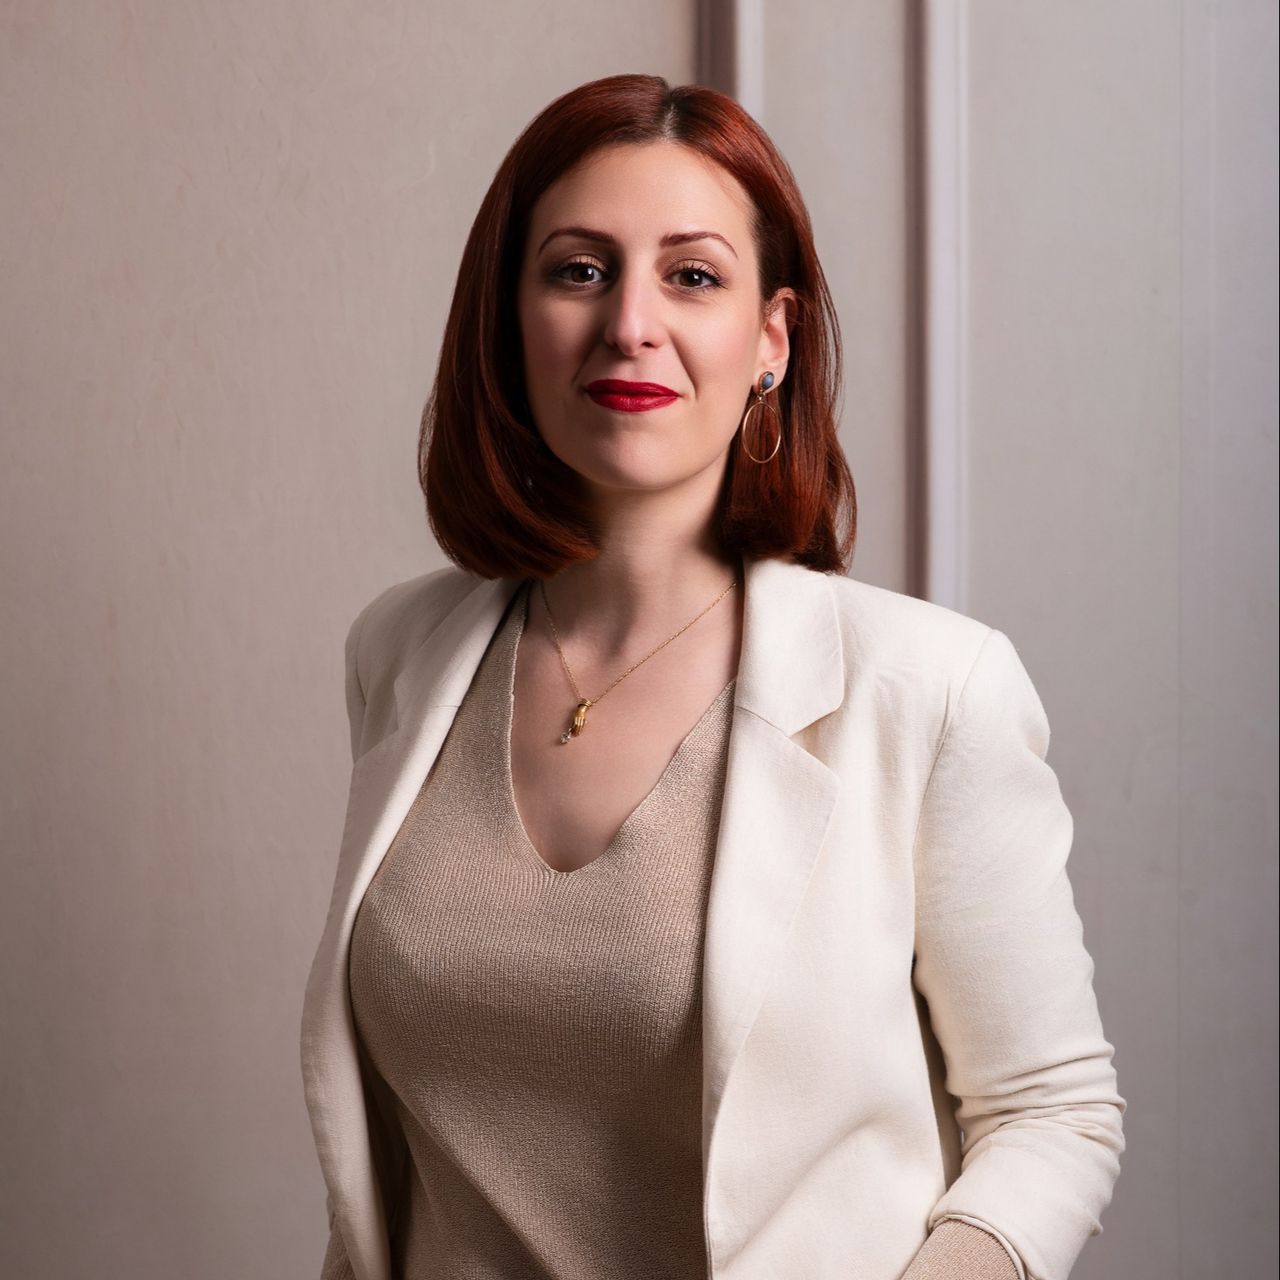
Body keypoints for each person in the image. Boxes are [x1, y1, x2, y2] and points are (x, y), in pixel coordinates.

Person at [299, 74, 1125, 1280]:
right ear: (507, 322)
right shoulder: (401, 653)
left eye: (691, 275)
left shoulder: (931, 688)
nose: (629, 322)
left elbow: (1051, 1112)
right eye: (578, 270)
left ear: (769, 340)